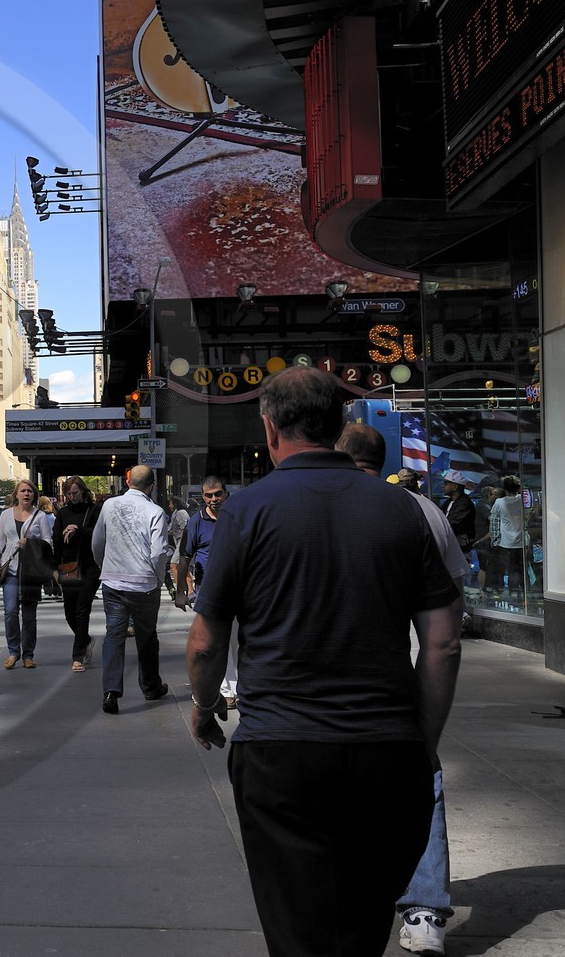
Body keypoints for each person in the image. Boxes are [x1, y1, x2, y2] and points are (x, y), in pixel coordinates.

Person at [186, 367, 461, 957]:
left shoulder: (245, 511)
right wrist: (423, 742)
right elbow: (443, 643)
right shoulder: (405, 510)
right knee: (361, 929)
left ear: (269, 428)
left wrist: (205, 707)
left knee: (299, 930)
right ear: (339, 424)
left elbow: (206, 643)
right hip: (386, 751)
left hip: (281, 754)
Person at [338, 423, 468, 957]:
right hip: (412, 672)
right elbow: (451, 611)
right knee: (422, 778)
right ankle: (424, 910)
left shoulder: (329, 506)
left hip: (343, 674)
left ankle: (353, 896)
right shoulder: (426, 511)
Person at [91, 465, 171, 713]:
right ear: (152, 485)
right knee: (147, 636)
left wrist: (103, 564)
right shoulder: (156, 511)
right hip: (144, 583)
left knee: (114, 636)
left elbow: (97, 541)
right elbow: (159, 552)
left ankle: (110, 691)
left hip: (113, 582)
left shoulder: (109, 505)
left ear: (127, 482)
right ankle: (151, 686)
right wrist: (159, 578)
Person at [175, 476, 233, 711]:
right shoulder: (195, 522)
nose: (213, 499)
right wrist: (181, 591)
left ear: (226, 493)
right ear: (202, 497)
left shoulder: (236, 517)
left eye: (218, 494)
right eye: (208, 495)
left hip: (238, 588)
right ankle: (226, 690)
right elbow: (184, 558)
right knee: (216, 641)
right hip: (209, 591)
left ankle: (238, 687)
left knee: (237, 639)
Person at [0, 479, 53, 670]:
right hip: (11, 569)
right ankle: (13, 651)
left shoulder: (40, 516)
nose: (26, 494)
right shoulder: (5, 515)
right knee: (11, 611)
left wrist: (30, 543)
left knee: (29, 615)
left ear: (34, 495)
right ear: (16, 494)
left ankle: (28, 655)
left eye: (30, 491)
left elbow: (48, 543)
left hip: (31, 572)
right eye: (23, 491)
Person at [50, 477, 99, 671]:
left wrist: (79, 530)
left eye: (75, 493)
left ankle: (77, 657)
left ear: (83, 492)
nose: (72, 497)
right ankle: (85, 640)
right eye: (69, 493)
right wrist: (54, 568)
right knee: (69, 611)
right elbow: (56, 541)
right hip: (68, 565)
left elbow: (100, 534)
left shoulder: (94, 510)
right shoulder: (63, 513)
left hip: (90, 565)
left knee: (81, 609)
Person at [491, 475, 526, 602]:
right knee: (523, 571)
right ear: (518, 487)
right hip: (522, 542)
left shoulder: (499, 502)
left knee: (511, 571)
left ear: (504, 488)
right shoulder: (522, 500)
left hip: (506, 544)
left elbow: (494, 523)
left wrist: (495, 541)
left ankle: (514, 597)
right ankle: (525, 595)